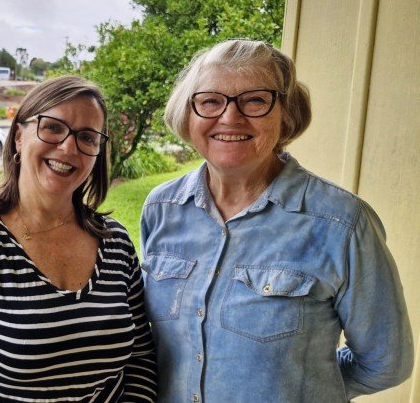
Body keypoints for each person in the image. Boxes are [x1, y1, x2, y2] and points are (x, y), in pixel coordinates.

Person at [140, 40, 414, 402]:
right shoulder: (162, 208)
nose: (230, 117)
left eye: (255, 100)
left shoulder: (342, 223)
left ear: (286, 114)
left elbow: (386, 361)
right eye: (210, 101)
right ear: (187, 114)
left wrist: (302, 389)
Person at [0, 75, 157, 402]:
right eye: (53, 127)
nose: (68, 147)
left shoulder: (115, 242)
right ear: (18, 136)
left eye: (87, 137)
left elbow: (141, 357)